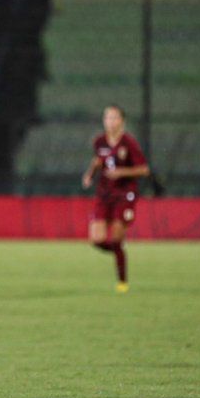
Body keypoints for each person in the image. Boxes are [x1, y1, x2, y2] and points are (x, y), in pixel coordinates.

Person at [82, 105, 150, 293]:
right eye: (107, 118)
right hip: (104, 194)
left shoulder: (129, 143)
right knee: (96, 239)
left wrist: (121, 172)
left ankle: (122, 282)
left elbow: (144, 169)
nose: (110, 122)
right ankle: (120, 252)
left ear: (122, 121)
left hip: (124, 194)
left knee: (117, 236)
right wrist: (89, 174)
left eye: (114, 118)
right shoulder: (99, 141)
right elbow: (98, 160)